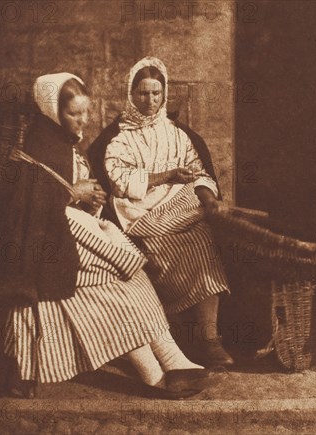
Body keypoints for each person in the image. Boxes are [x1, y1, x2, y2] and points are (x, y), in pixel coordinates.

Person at [0, 72, 213, 399]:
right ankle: (154, 373)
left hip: (68, 228)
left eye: (85, 111)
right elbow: (28, 207)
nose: (83, 120)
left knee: (136, 278)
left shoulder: (61, 140)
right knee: (122, 285)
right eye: (74, 113)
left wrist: (86, 196)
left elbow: (71, 188)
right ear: (53, 110)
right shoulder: (40, 144)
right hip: (46, 243)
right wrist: (74, 194)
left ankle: (173, 359)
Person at [91, 57, 234, 368]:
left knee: (206, 238)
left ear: (164, 93)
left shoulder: (177, 133)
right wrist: (166, 175)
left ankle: (209, 338)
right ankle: (173, 336)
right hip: (140, 213)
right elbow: (121, 180)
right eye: (143, 93)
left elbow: (199, 172)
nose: (150, 101)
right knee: (168, 246)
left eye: (156, 93)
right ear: (131, 93)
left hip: (179, 207)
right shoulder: (119, 136)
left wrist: (208, 199)